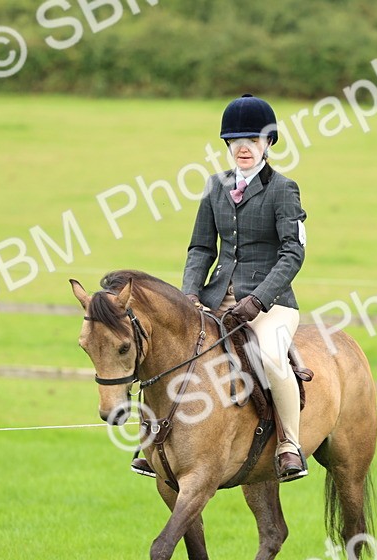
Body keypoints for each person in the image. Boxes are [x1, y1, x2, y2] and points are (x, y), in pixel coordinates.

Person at [132, 93, 308, 482]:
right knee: (174, 351)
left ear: (268, 143)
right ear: (228, 145)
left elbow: (293, 253)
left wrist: (257, 300)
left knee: (271, 355)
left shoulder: (283, 189)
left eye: (252, 140)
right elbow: (200, 247)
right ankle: (155, 442)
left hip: (272, 303)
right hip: (216, 297)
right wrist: (189, 294)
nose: (243, 148)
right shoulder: (215, 187)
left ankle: (289, 445)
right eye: (235, 141)